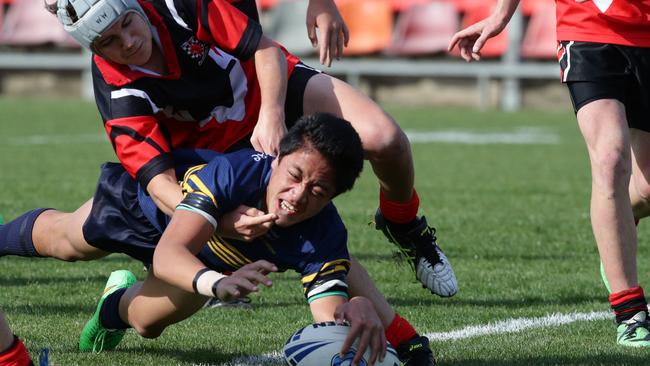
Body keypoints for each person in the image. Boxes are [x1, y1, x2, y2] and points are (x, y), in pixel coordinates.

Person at [36, 0, 458, 297]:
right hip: (208, 161)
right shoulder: (115, 85)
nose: (126, 43)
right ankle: (112, 306)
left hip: (267, 91)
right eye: (108, 41)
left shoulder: (180, 5)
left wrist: (272, 114)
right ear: (91, 48)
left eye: (128, 23)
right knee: (75, 243)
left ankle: (404, 226)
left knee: (386, 140)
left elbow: (265, 51)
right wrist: (213, 217)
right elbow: (157, 181)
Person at [1, 115, 435, 365]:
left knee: (145, 325)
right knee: (64, 241)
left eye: (318, 191)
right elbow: (173, 250)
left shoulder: (324, 235)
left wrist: (348, 312)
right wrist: (215, 284)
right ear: (278, 158)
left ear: (336, 197)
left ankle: (110, 308)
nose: (297, 196)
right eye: (295, 176)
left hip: (208, 263)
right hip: (150, 212)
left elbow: (325, 320)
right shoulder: (237, 173)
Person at [449, 0, 650, 346]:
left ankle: (617, 227)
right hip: (587, 28)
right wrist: (501, 16)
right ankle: (630, 312)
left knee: (646, 190)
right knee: (610, 159)